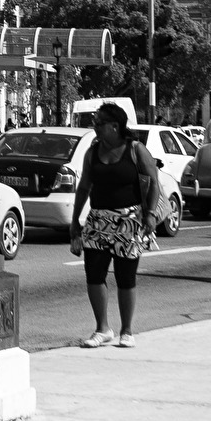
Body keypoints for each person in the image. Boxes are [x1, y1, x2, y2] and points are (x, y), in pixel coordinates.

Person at [69, 101, 161, 349]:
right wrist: (75, 221)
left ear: (115, 126)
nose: (95, 127)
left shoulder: (135, 149)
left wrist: (150, 214)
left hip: (129, 220)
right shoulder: (92, 152)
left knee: (125, 276)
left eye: (99, 123)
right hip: (98, 220)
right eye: (94, 123)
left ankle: (127, 330)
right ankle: (102, 329)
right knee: (94, 275)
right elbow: (84, 187)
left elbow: (154, 182)